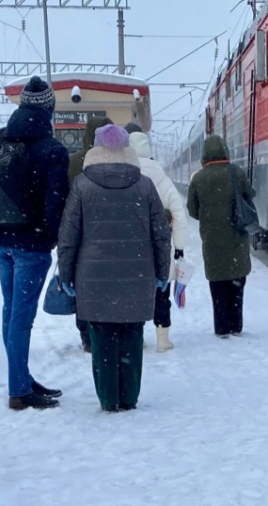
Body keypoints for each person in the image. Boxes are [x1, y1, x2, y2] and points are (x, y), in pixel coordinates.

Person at [57, 124, 171, 412]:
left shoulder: (82, 185)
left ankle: (108, 399)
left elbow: (68, 237)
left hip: (93, 276)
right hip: (138, 272)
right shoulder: (144, 185)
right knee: (132, 335)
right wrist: (161, 270)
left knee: (102, 337)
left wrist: (66, 273)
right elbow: (160, 233)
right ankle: (129, 397)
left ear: (96, 148)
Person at [0, 75, 70, 410]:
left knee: (11, 314)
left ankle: (20, 377)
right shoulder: (53, 150)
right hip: (30, 247)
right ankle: (19, 392)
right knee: (21, 318)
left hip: (0, 241)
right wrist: (48, 239)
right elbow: (55, 202)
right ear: (49, 109)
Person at [128, 131, 190, 352]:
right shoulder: (163, 179)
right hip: (160, 247)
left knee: (136, 294)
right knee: (161, 293)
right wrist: (179, 247)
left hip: (132, 247)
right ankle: (162, 339)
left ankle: (139, 338)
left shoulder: (126, 175)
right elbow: (179, 215)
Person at [186, 135, 253, 338]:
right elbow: (249, 196)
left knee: (218, 286)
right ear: (225, 150)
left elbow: (192, 210)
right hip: (236, 239)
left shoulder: (198, 178)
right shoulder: (237, 173)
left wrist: (209, 216)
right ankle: (236, 325)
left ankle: (222, 327)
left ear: (205, 154)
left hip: (213, 240)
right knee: (236, 284)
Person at [67, 115, 112, 352]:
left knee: (81, 284)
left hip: (80, 233)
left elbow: (65, 198)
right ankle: (105, 328)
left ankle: (86, 334)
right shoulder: (115, 160)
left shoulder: (74, 161)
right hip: (109, 231)